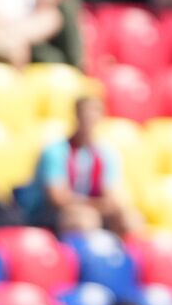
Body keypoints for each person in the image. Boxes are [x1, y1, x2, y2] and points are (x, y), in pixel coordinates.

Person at [24, 95, 136, 235]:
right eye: (86, 114)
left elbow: (111, 194)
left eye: (94, 114)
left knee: (130, 220)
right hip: (49, 213)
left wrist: (109, 206)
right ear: (76, 116)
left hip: (90, 208)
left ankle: (122, 255)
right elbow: (57, 198)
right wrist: (96, 206)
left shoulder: (106, 153)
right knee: (85, 219)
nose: (89, 120)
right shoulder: (56, 151)